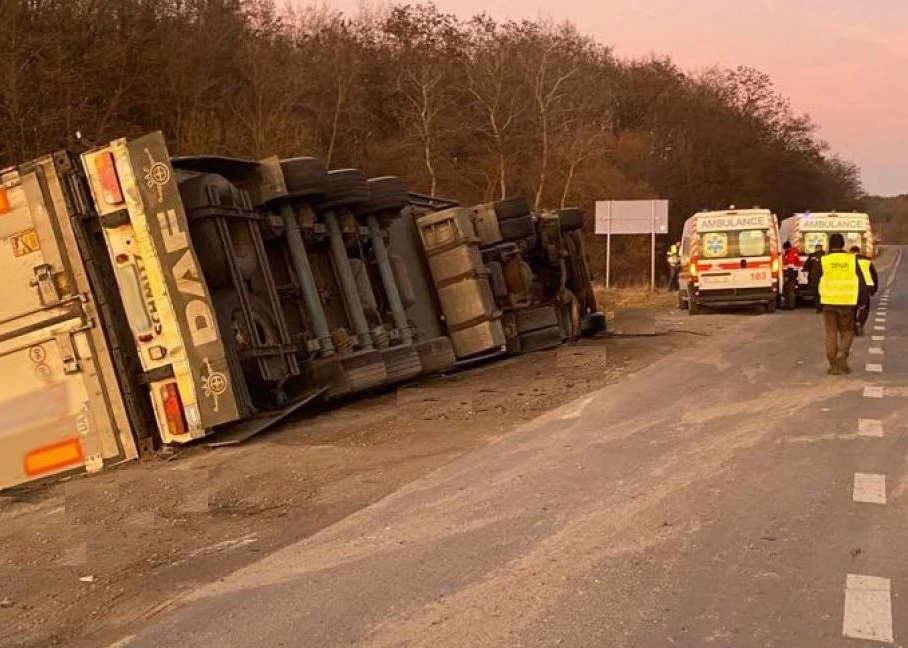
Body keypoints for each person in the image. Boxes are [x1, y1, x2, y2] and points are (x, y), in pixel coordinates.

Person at [814, 233, 866, 375]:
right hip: (847, 302)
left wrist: (817, 302)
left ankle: (833, 365)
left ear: (830, 244)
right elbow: (861, 281)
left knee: (831, 333)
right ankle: (841, 355)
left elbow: (814, 281)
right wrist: (862, 301)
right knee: (847, 332)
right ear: (843, 244)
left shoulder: (824, 260)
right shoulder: (851, 260)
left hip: (828, 302)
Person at [850, 245, 879, 336]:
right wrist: (874, 288)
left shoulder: (849, 261)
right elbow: (874, 274)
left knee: (852, 308)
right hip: (867, 286)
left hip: (853, 285)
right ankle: (860, 323)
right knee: (864, 308)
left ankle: (854, 323)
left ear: (851, 252)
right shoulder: (866, 260)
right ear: (859, 251)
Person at [803, 243, 825, 312]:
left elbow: (806, 266)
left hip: (814, 277)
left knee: (816, 293)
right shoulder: (826, 256)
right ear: (822, 248)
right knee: (823, 292)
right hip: (824, 277)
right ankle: (824, 305)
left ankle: (818, 307)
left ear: (816, 248)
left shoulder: (812, 256)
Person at [782, 241, 801, 309]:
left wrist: (786, 276)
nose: (784, 250)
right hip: (793, 274)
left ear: (787, 248)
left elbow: (790, 266)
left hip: (790, 274)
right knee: (788, 290)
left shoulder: (790, 254)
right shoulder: (793, 253)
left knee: (789, 290)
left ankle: (790, 305)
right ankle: (788, 304)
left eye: (784, 249)